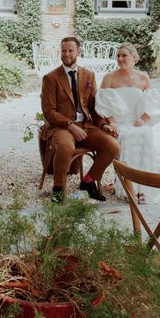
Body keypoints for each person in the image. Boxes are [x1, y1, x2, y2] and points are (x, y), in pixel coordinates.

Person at [40, 37, 120, 203]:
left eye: (70, 50)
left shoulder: (88, 75)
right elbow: (49, 112)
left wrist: (104, 125)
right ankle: (58, 189)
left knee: (113, 146)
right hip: (61, 126)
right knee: (65, 147)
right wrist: (70, 125)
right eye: (63, 50)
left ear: (78, 52)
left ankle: (88, 181)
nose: (66, 54)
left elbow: (93, 107)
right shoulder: (50, 78)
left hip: (85, 126)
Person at [95, 43, 160, 203]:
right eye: (118, 56)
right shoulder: (109, 78)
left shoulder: (143, 77)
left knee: (145, 134)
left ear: (134, 57)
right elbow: (104, 104)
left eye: (124, 55)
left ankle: (144, 188)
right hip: (119, 122)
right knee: (126, 137)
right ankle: (128, 187)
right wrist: (112, 123)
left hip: (137, 121)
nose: (120, 59)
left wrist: (144, 119)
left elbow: (152, 102)